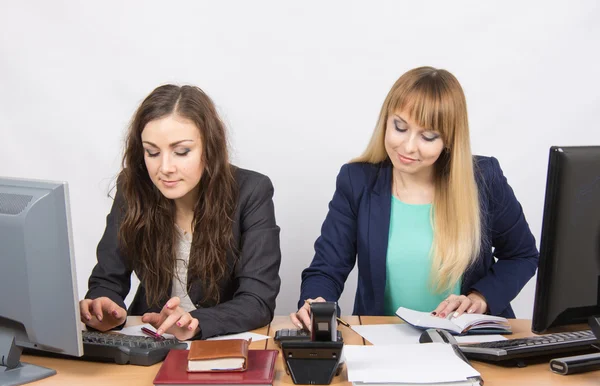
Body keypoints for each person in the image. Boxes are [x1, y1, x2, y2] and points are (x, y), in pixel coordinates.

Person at [291, 66, 539, 330]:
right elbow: (327, 268)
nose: (408, 147)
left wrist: (480, 298)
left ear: (449, 140)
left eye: (428, 136)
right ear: (385, 121)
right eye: (400, 127)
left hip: (470, 339)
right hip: (384, 341)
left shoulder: (484, 179)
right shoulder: (357, 181)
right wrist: (316, 301)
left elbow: (522, 255)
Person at [80, 84, 281, 340]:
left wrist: (195, 322)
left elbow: (257, 300)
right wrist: (102, 306)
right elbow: (107, 279)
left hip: (219, 341)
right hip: (150, 340)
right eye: (152, 152)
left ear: (209, 149)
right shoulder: (133, 187)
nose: (165, 167)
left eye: (181, 151)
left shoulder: (251, 191)